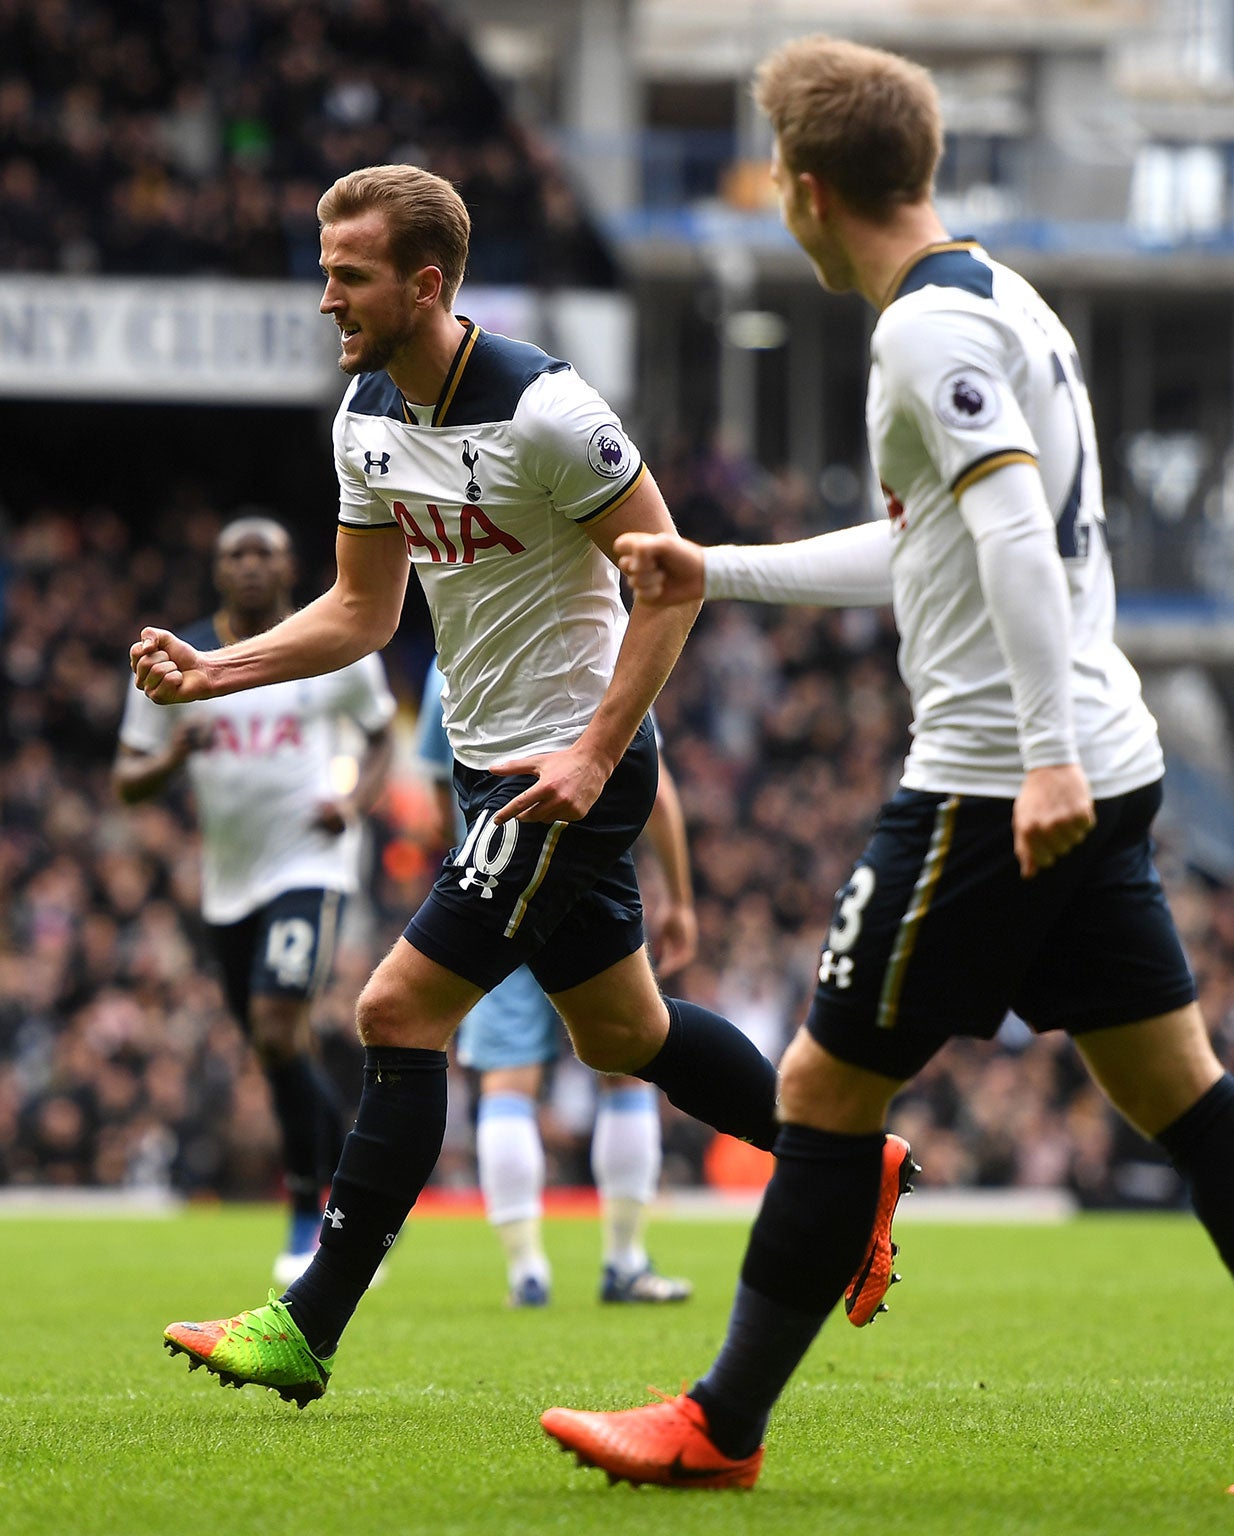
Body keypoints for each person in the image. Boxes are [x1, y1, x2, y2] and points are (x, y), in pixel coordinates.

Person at [539, 37, 1234, 1495]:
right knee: (1178, 1088)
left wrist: (1043, 760)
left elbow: (1007, 534)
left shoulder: (920, 336)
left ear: (807, 191)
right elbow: (939, 536)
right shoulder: (1006, 303)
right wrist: (717, 570)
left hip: (1005, 775)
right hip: (1100, 757)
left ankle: (717, 1428)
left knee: (819, 1093)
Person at [134, 165, 896, 1407]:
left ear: (424, 283)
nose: (325, 299)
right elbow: (362, 613)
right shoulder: (364, 419)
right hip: (487, 769)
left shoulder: (549, 411)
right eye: (323, 270)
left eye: (349, 276)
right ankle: (850, 1165)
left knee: (394, 1012)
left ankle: (305, 1326)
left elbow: (672, 579)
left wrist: (594, 752)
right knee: (625, 1034)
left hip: (565, 772)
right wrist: (218, 670)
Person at [114, 515, 395, 1285]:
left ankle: (316, 1208)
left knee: (277, 1028)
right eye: (233, 553)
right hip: (228, 883)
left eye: (261, 552)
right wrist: (176, 752)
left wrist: (356, 804)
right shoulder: (181, 658)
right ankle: (349, 1198)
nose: (247, 565)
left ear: (288, 564)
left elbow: (380, 737)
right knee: (276, 1050)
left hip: (311, 861)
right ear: (216, 571)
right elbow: (126, 780)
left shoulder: (326, 643)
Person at [419, 659, 698, 1307]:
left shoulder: (449, 667)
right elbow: (652, 783)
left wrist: (469, 870)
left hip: (497, 883)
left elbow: (441, 795)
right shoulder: (594, 651)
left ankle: (527, 1270)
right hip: (589, 880)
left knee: (508, 1081)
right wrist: (680, 896)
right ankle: (625, 1260)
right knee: (626, 1063)